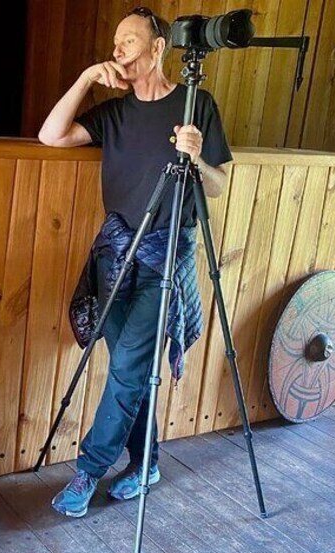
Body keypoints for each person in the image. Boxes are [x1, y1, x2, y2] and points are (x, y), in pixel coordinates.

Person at [38, 7, 231, 518]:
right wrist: (85, 79)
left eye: (129, 41)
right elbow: (50, 135)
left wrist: (197, 159)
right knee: (132, 367)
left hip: (165, 256)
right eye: (116, 42)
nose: (118, 50)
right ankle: (146, 462)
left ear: (158, 48)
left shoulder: (196, 104)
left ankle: (88, 471)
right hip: (115, 257)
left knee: (126, 366)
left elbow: (218, 184)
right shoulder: (116, 113)